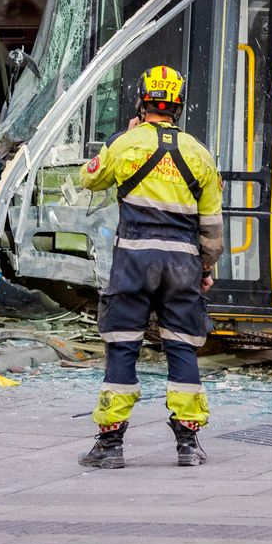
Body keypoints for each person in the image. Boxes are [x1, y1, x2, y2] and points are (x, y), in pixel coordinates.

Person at [78, 65, 224, 468]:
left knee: (123, 345)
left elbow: (88, 179)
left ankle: (110, 446)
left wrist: (120, 138)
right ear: (179, 106)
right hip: (182, 264)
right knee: (182, 346)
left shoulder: (126, 144)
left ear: (141, 102)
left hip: (133, 261)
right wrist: (205, 269)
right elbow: (212, 227)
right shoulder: (199, 153)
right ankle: (188, 444)